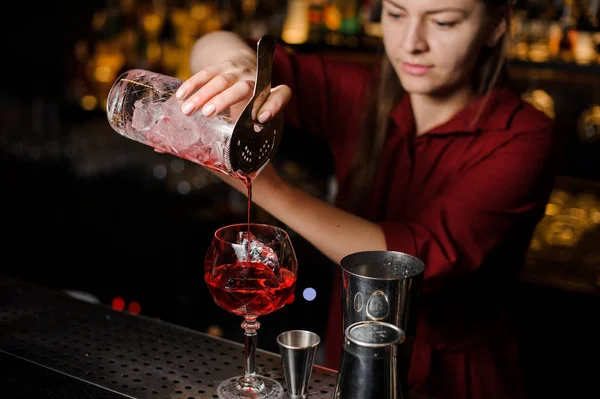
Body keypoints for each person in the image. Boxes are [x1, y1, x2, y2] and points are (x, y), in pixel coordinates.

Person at [175, 0, 558, 398]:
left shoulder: (525, 137)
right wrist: (241, 67)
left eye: (443, 22)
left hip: (459, 380)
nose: (412, 43)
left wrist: (261, 182)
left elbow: (419, 261)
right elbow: (212, 42)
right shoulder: (366, 92)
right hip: (348, 356)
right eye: (395, 14)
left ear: (495, 27)